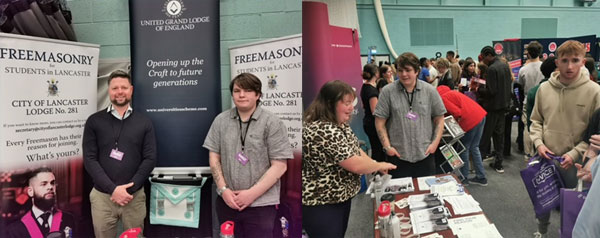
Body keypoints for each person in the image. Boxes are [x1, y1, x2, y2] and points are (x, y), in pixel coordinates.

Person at [302, 80, 396, 237]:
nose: (351, 107)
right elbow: (354, 164)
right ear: (330, 103)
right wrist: (379, 164)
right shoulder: (322, 129)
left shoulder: (338, 123)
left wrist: (374, 164)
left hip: (338, 198)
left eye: (351, 102)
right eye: (346, 103)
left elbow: (354, 149)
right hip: (322, 202)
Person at [203, 73, 292, 238]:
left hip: (261, 205)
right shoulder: (220, 121)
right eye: (237, 91)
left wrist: (251, 194)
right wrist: (223, 190)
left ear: (258, 95)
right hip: (227, 202)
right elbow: (214, 156)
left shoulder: (272, 123)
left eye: (247, 90)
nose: (241, 95)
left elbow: (280, 165)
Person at [529, 40, 600, 238]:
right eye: (564, 60)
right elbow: (535, 122)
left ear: (583, 62)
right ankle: (541, 231)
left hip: (575, 163)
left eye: (575, 60)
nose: (569, 66)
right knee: (541, 202)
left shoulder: (595, 92)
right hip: (545, 158)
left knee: (572, 206)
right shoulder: (544, 89)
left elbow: (594, 136)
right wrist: (538, 143)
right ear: (556, 62)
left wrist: (574, 153)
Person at [82, 70, 157, 238]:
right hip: (102, 198)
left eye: (124, 87)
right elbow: (89, 159)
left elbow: (150, 158)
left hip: (134, 197)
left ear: (131, 90)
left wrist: (130, 188)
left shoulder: (144, 122)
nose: (120, 91)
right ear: (109, 90)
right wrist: (113, 189)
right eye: (115, 88)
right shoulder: (94, 121)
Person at [374, 52, 447, 178]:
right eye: (400, 70)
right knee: (401, 196)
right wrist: (387, 147)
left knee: (426, 193)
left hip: (425, 154)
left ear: (417, 71)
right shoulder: (387, 92)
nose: (403, 74)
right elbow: (380, 122)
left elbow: (439, 119)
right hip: (398, 155)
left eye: (408, 70)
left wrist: (434, 144)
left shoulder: (430, 91)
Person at [436, 85, 488, 186]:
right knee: (474, 147)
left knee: (464, 148)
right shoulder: (453, 93)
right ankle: (481, 177)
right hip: (480, 115)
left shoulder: (442, 98)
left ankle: (464, 178)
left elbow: (457, 113)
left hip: (470, 120)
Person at [7, 168, 75, 238]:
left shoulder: (69, 219)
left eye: (52, 183)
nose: (50, 187)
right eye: (44, 184)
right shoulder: (16, 229)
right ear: (30, 191)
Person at [478, 46, 512, 173]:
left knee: (485, 136)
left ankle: (478, 165)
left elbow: (491, 91)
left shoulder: (492, 69)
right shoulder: (504, 65)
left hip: (492, 107)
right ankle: (499, 164)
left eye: (482, 58)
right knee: (499, 136)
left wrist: (479, 89)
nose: (482, 61)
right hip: (503, 106)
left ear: (487, 55)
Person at [362, 64, 385, 162]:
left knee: (376, 149)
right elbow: (375, 111)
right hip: (372, 124)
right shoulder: (371, 91)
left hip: (368, 122)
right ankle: (378, 172)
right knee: (377, 150)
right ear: (376, 73)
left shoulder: (365, 87)